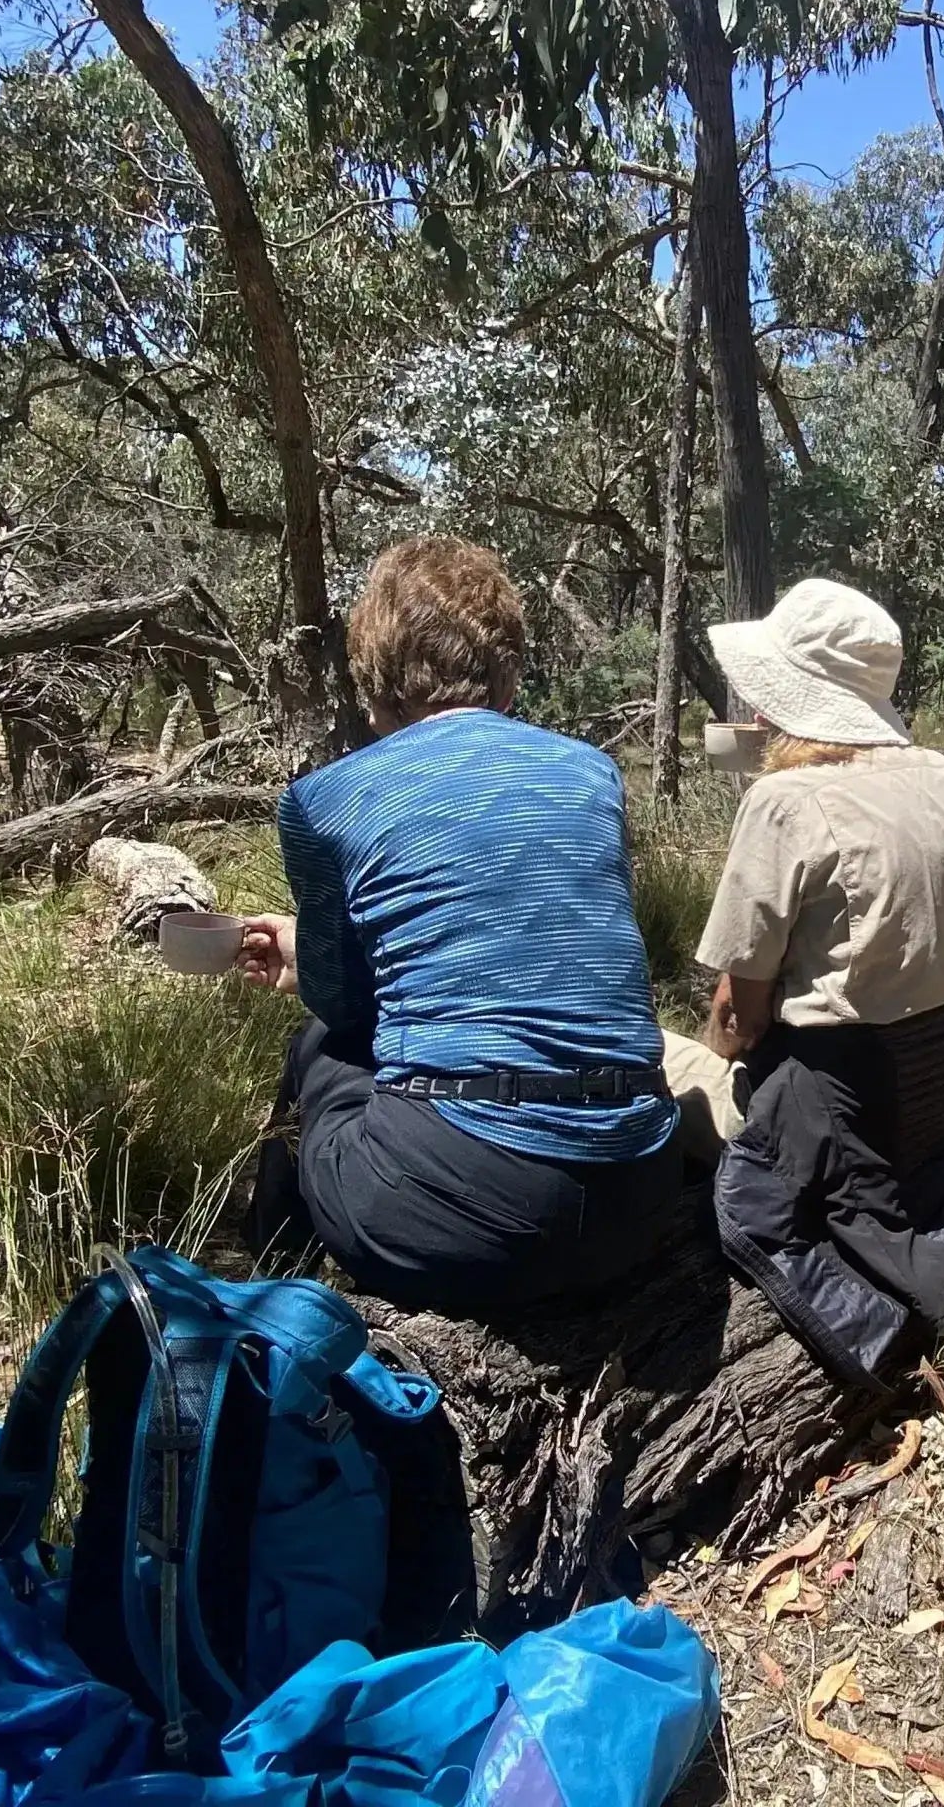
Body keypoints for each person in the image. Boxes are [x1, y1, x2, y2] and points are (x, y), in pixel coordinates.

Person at [235, 535, 688, 1316]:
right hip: (638, 1196)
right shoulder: (593, 771)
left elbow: (348, 1008)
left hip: (465, 1213)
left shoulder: (324, 798)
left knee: (320, 1047)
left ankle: (262, 1280)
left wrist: (305, 963)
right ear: (506, 675)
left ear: (372, 679)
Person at [661, 577, 944, 1172]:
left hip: (833, 1134)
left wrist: (727, 1058)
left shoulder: (785, 800)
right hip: (942, 1100)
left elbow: (741, 1010)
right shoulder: (942, 777)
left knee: (655, 1056)